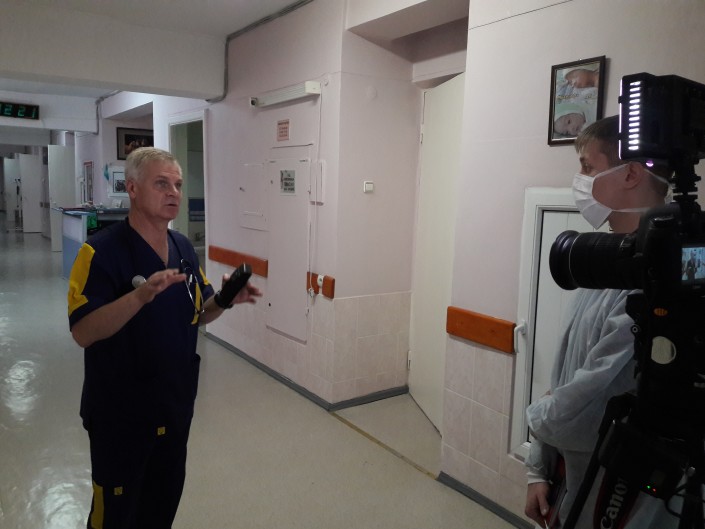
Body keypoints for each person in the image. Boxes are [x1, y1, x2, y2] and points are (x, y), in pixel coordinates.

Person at [67, 147, 261, 529]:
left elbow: (199, 313)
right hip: (121, 416)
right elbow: (83, 331)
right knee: (114, 517)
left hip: (173, 408)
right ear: (132, 188)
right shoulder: (99, 252)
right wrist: (139, 297)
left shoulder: (183, 248)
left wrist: (225, 299)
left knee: (160, 508)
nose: (173, 192)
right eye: (161, 184)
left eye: (177, 184)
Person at [524, 115, 676, 528]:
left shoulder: (654, 284)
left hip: (617, 496)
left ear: (630, 174)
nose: (580, 180)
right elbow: (564, 382)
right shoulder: (606, 264)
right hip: (568, 482)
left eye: (588, 167)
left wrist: (534, 418)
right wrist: (537, 469)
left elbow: (584, 407)